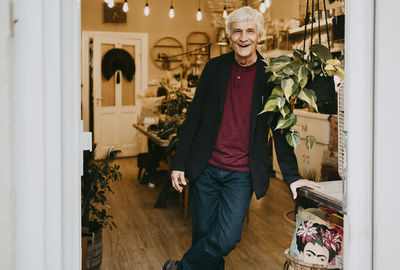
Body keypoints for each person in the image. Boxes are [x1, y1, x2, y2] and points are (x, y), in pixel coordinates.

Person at [163, 6, 320, 270]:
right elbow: (194, 118)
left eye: (249, 31)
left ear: (259, 35)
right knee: (204, 237)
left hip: (241, 174)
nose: (243, 37)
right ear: (229, 36)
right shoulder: (214, 69)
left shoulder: (272, 77)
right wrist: (179, 163)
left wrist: (292, 176)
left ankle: (180, 268)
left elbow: (280, 130)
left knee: (226, 239)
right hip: (206, 169)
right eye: (237, 31)